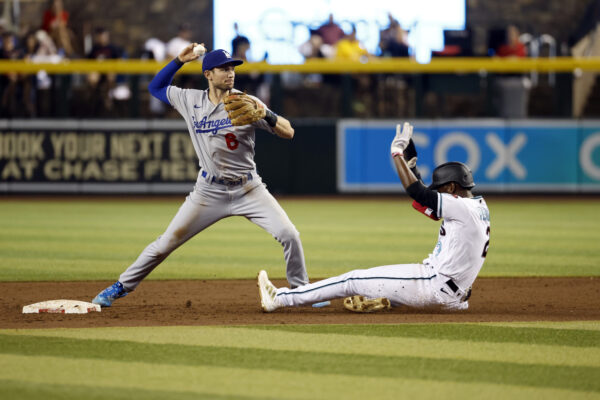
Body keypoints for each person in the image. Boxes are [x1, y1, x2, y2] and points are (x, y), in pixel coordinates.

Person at [92, 44, 309, 307]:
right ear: (208, 74)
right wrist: (178, 61)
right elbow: (155, 88)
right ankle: (120, 286)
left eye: (232, 69)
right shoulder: (190, 99)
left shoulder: (247, 102)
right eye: (224, 69)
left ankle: (302, 291)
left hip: (249, 188)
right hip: (208, 191)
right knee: (165, 244)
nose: (230, 73)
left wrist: (267, 114)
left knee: (290, 234)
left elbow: (289, 132)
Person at [258, 122, 491, 312]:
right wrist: (412, 167)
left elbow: (417, 192)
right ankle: (381, 299)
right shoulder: (477, 207)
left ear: (451, 187)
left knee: (352, 280)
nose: (437, 192)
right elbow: (425, 202)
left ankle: (281, 298)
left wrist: (397, 154)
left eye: (440, 188)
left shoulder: (460, 207)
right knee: (383, 284)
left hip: (433, 286)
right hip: (456, 295)